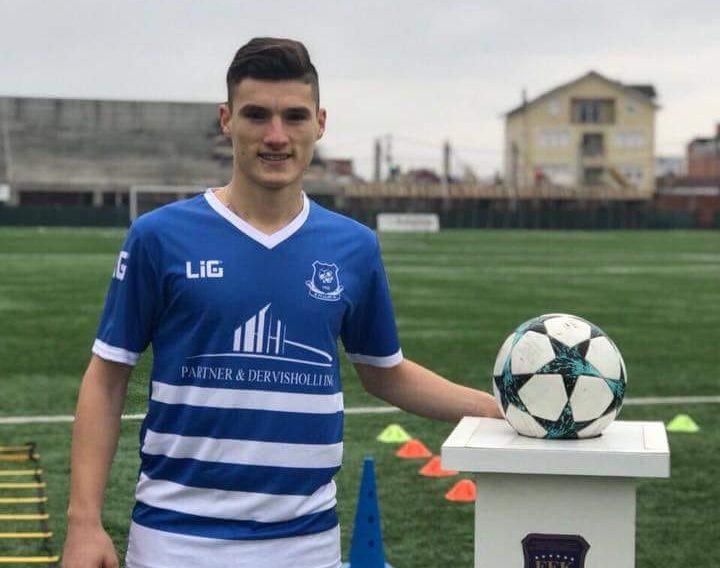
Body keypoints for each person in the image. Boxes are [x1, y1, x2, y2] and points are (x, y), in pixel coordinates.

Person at [61, 37, 502, 568]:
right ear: (227, 120)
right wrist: (83, 524)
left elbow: (386, 373)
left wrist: (496, 408)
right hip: (175, 542)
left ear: (320, 123)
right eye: (256, 115)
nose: (276, 136)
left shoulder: (354, 247)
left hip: (306, 546)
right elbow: (107, 378)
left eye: (294, 116)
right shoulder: (159, 237)